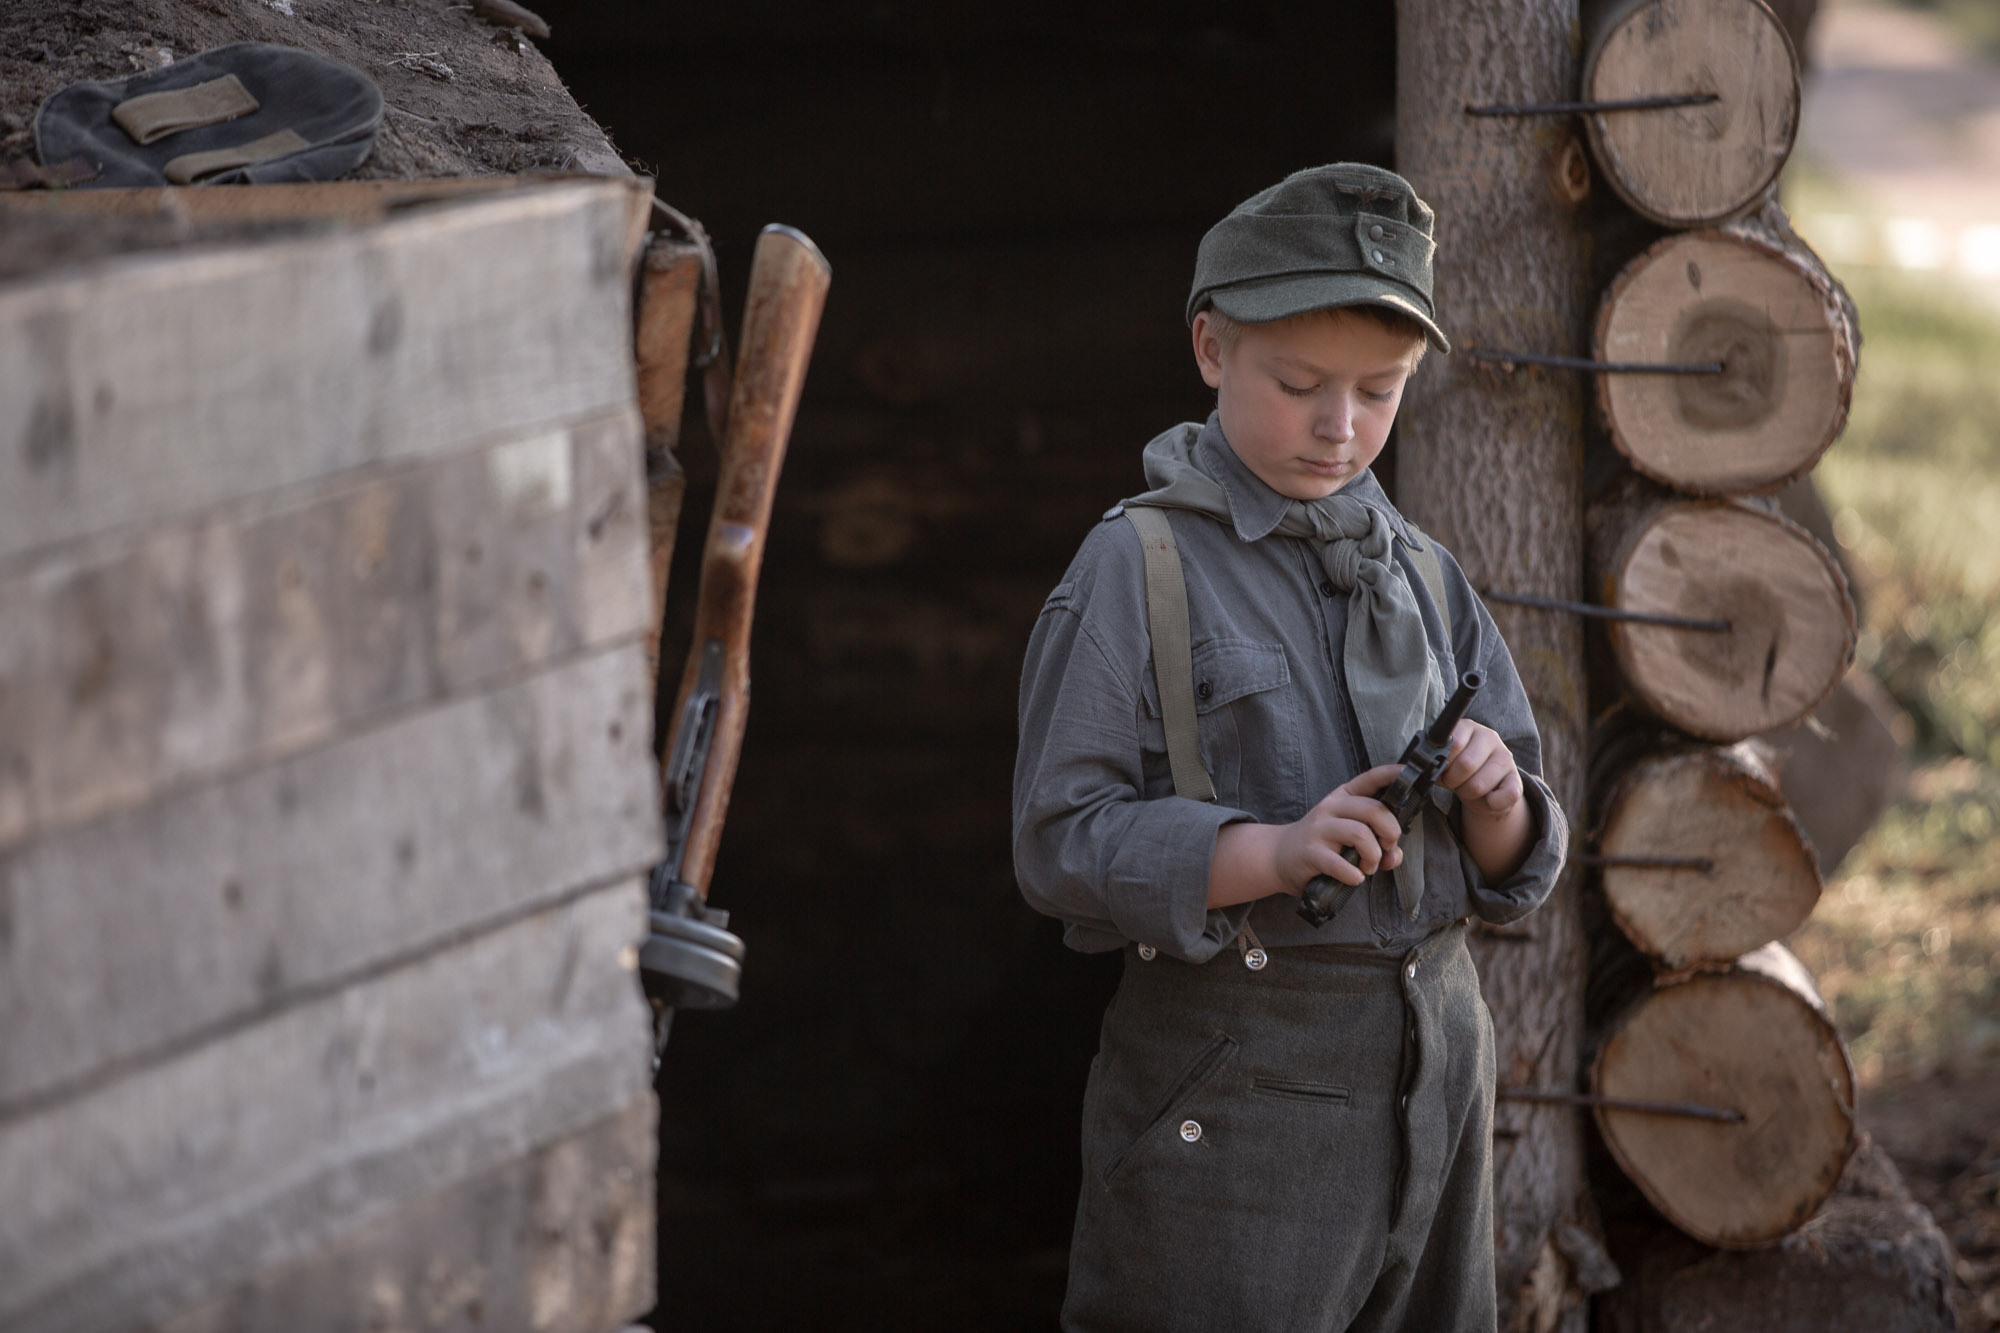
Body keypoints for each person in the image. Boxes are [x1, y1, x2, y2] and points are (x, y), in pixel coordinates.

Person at [1011, 162, 1568, 1332]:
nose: (1339, 425)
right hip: (1233, 1086)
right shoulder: (1134, 570)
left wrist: (1490, 792)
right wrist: (1263, 852)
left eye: (1380, 390)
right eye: (1300, 382)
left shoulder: (1420, 571)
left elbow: (1513, 839)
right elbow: (1058, 841)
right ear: (1211, 348)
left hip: (1438, 1062)